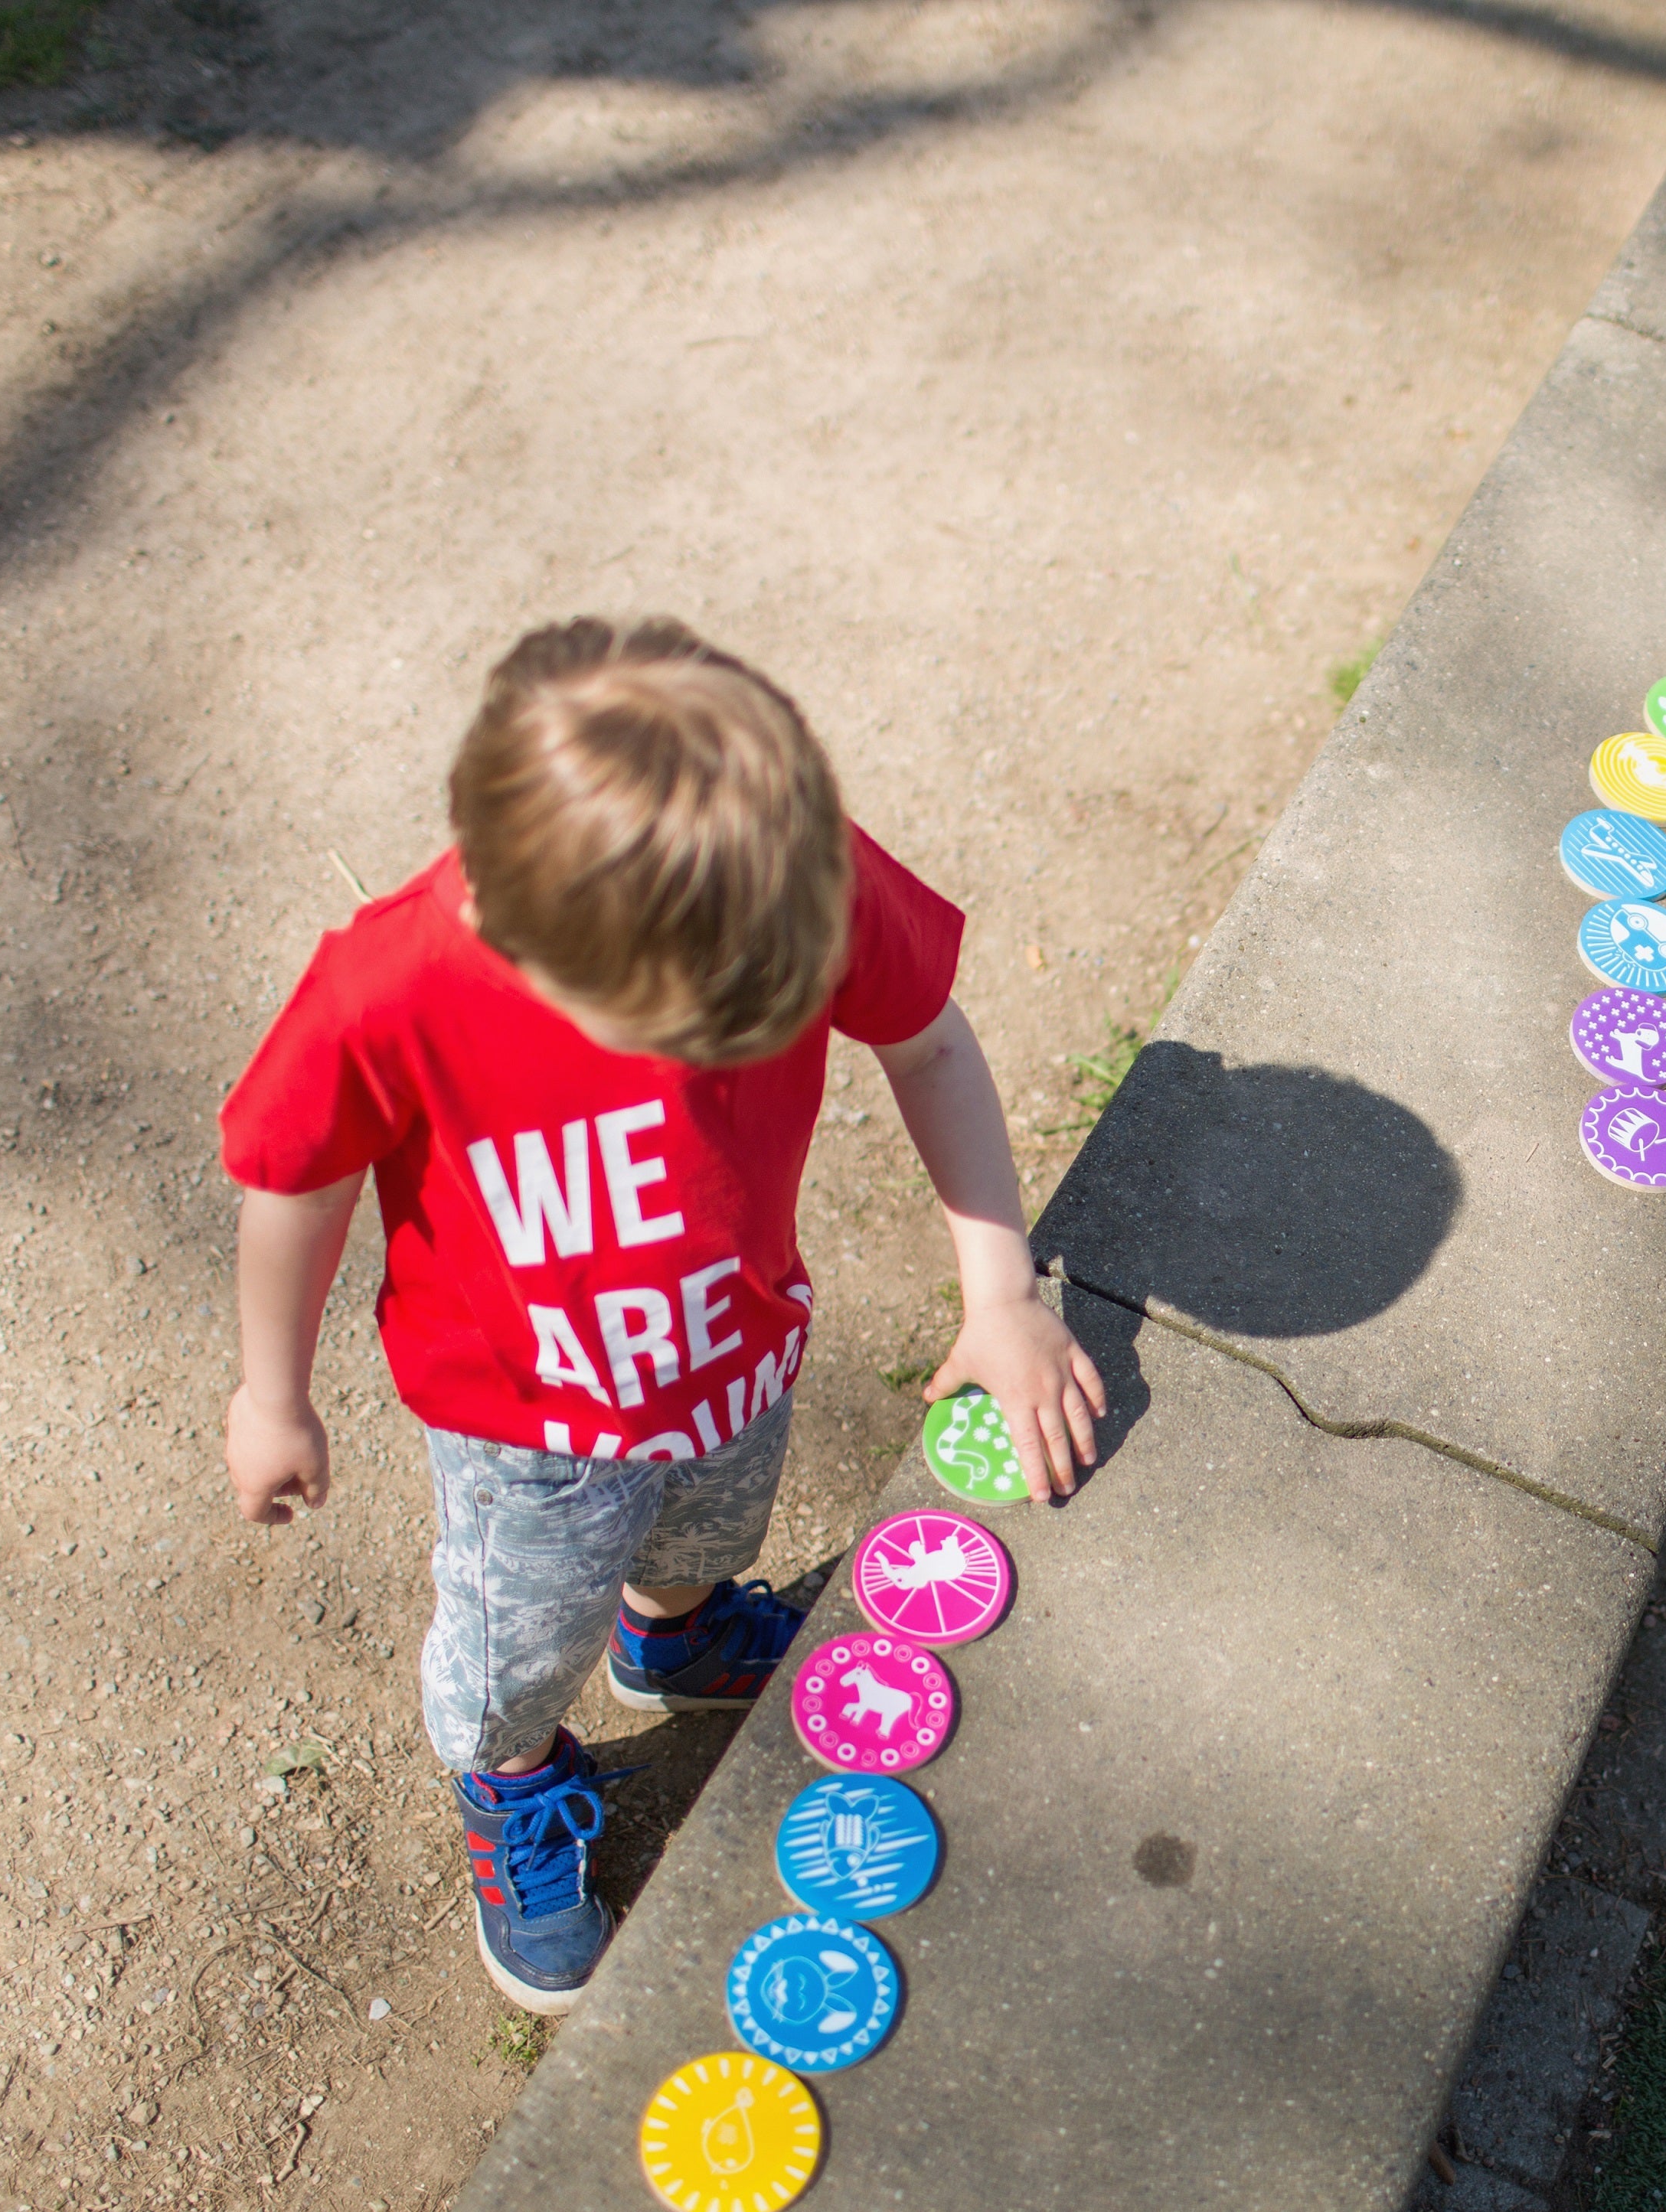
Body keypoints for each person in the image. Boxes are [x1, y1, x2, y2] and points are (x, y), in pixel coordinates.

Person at [217, 617, 1104, 2009]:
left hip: (732, 1359)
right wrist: (272, 1395)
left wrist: (1001, 1290)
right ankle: (514, 1780)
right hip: (525, 1433)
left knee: (706, 1531)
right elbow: (297, 1186)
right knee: (518, 1648)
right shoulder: (387, 990)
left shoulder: (786, 873)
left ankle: (672, 1636)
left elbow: (926, 1042)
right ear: (514, 934)